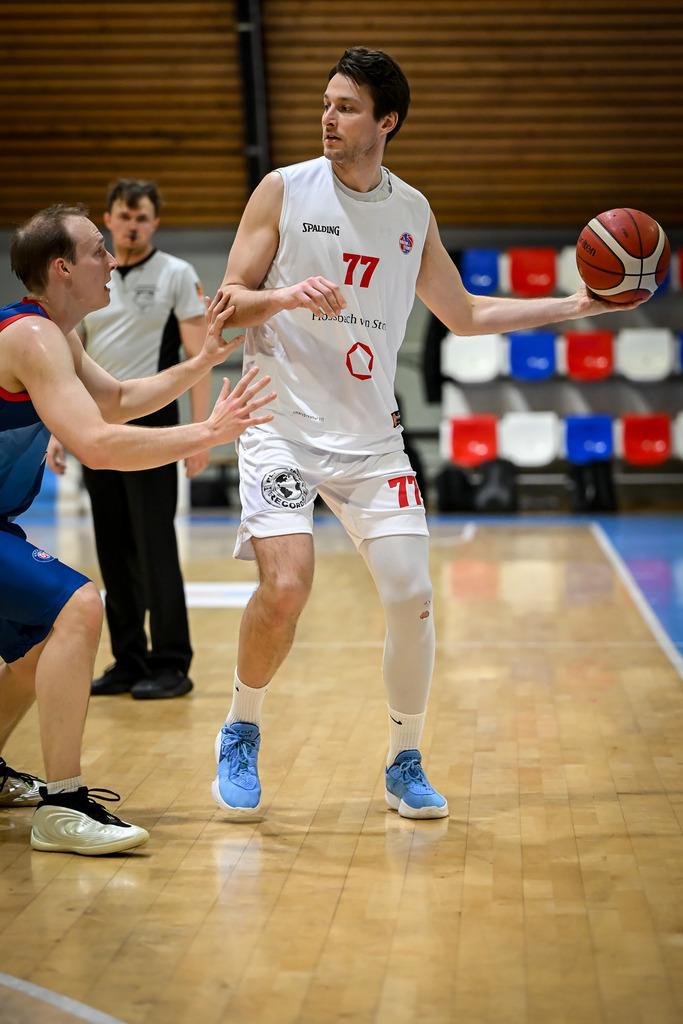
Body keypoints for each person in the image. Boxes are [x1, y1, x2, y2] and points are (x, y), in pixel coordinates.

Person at [211, 46, 648, 821]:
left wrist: (576, 307)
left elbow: (468, 313)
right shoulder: (282, 190)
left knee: (412, 594)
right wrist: (280, 298)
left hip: (372, 441)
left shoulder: (410, 212)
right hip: (277, 425)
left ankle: (403, 757)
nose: (327, 117)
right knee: (285, 589)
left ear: (387, 121)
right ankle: (241, 725)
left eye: (345, 107)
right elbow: (226, 305)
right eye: (325, 102)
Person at [0, 203, 274, 853]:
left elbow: (116, 402)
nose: (112, 261)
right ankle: (63, 805)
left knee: (40, 645)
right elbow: (96, 443)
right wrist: (205, 433)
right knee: (79, 605)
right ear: (62, 267)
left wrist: (201, 362)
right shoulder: (30, 337)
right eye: (98, 250)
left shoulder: (56, 336)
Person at [49, 179, 209, 700]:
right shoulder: (97, 279)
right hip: (97, 428)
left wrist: (200, 435)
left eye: (142, 217)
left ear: (154, 222)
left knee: (156, 544)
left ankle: (170, 662)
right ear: (109, 219)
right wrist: (60, 426)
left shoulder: (176, 275)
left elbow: (198, 358)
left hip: (154, 428)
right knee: (112, 548)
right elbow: (72, 359)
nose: (132, 225)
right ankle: (127, 659)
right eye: (123, 216)